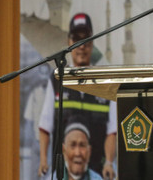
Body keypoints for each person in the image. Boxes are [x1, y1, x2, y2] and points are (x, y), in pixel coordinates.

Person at [39, 13, 117, 179]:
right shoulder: (57, 80)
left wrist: (109, 162)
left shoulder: (105, 81)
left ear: (92, 43)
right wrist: (43, 160)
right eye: (76, 39)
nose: (81, 46)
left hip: (96, 173)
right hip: (64, 173)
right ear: (69, 42)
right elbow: (45, 126)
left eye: (86, 40)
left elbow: (112, 131)